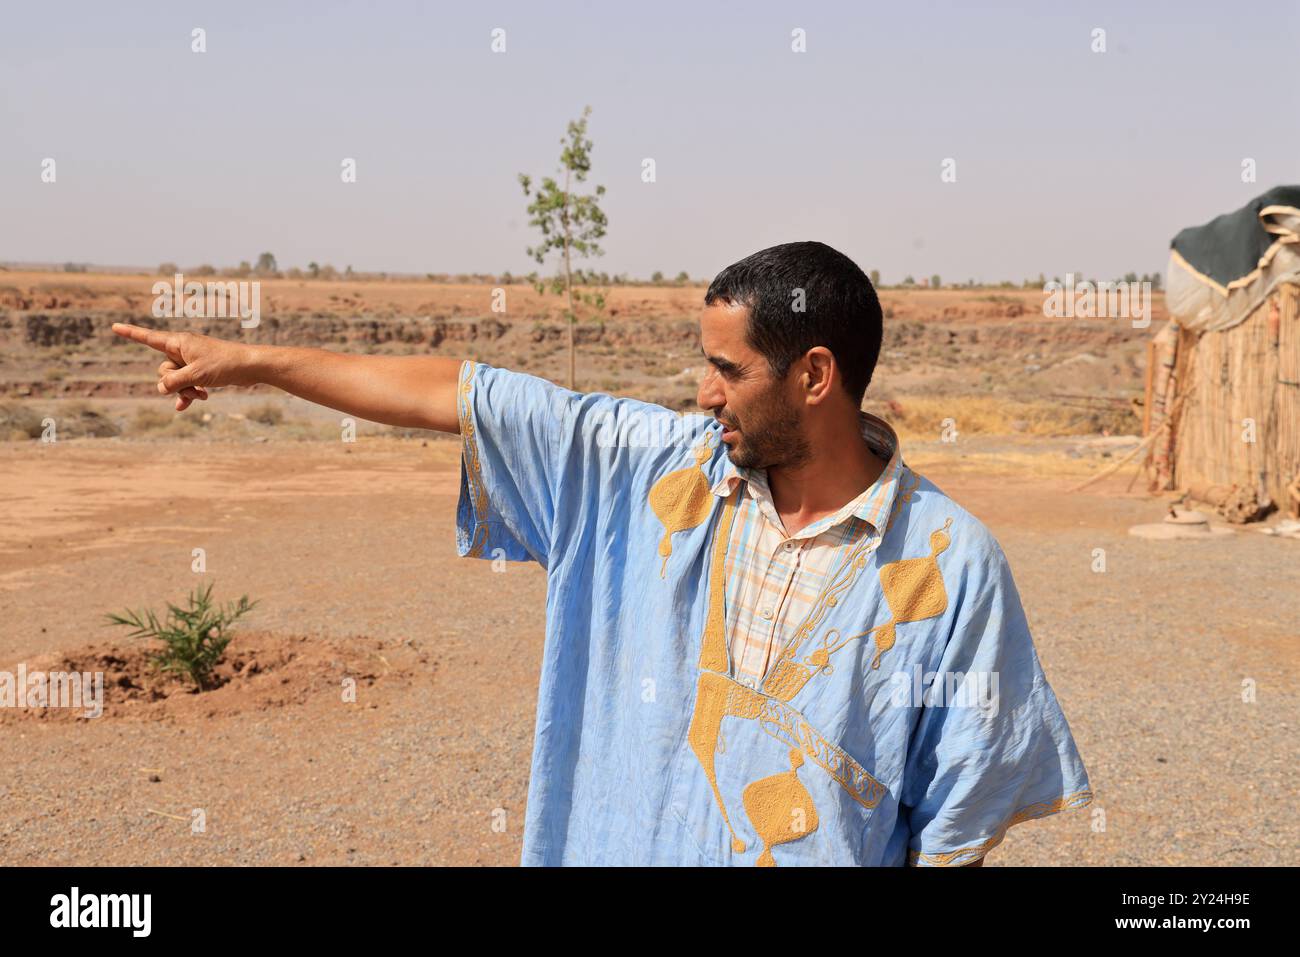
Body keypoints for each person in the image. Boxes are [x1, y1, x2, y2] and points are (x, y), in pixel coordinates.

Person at [112, 240, 1092, 866]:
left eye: (724, 369)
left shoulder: (951, 565)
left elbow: (958, 814)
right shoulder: (652, 475)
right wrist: (255, 365)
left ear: (814, 377)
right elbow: (458, 392)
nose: (702, 395)